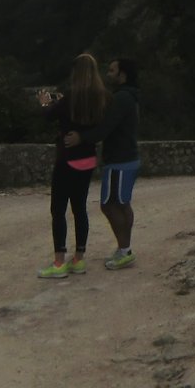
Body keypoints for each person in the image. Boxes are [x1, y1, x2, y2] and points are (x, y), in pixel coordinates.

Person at [34, 52, 110, 279]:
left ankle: (59, 262)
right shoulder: (101, 98)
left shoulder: (71, 97)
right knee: (79, 208)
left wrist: (45, 102)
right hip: (88, 160)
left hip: (67, 159)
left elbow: (49, 115)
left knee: (58, 209)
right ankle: (79, 259)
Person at [65, 55, 141, 270]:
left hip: (119, 161)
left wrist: (81, 137)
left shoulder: (122, 99)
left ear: (122, 74)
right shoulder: (131, 96)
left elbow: (104, 128)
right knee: (122, 204)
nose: (108, 74)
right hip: (129, 159)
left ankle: (124, 251)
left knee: (109, 205)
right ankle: (125, 249)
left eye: (112, 70)